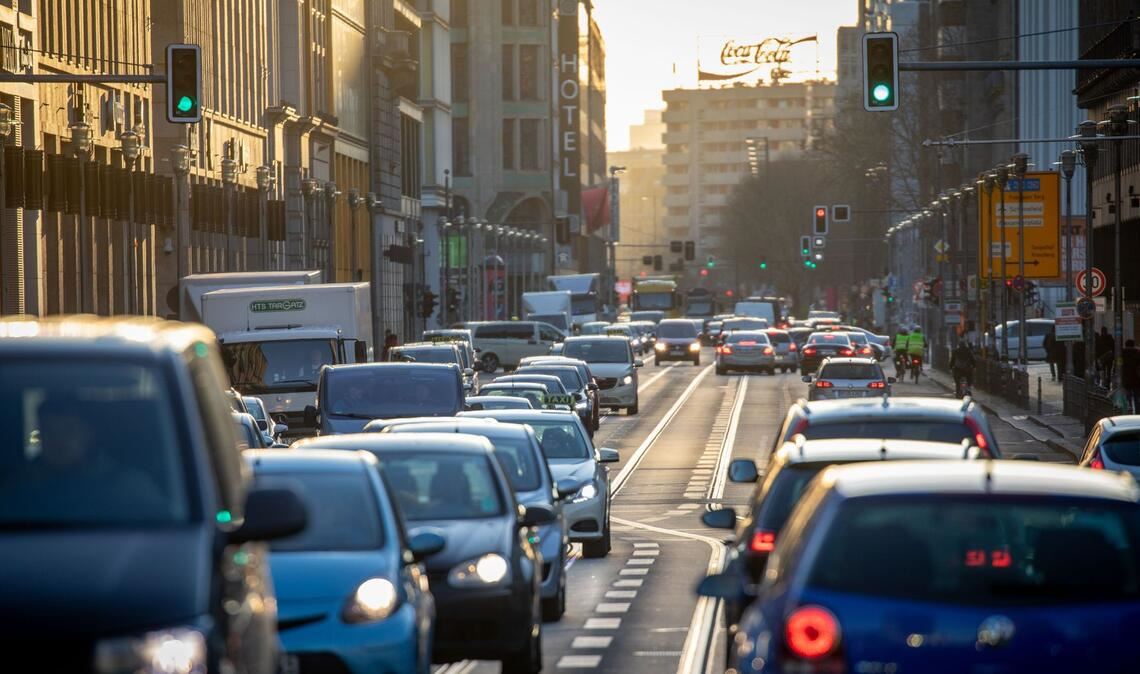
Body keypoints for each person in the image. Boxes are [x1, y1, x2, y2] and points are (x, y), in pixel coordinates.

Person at [1123, 339, 1140, 413]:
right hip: (1137, 379)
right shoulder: (1138, 353)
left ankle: (1129, 410)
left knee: (1128, 397)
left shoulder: (1122, 353)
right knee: (1137, 397)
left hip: (1126, 379)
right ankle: (1138, 412)